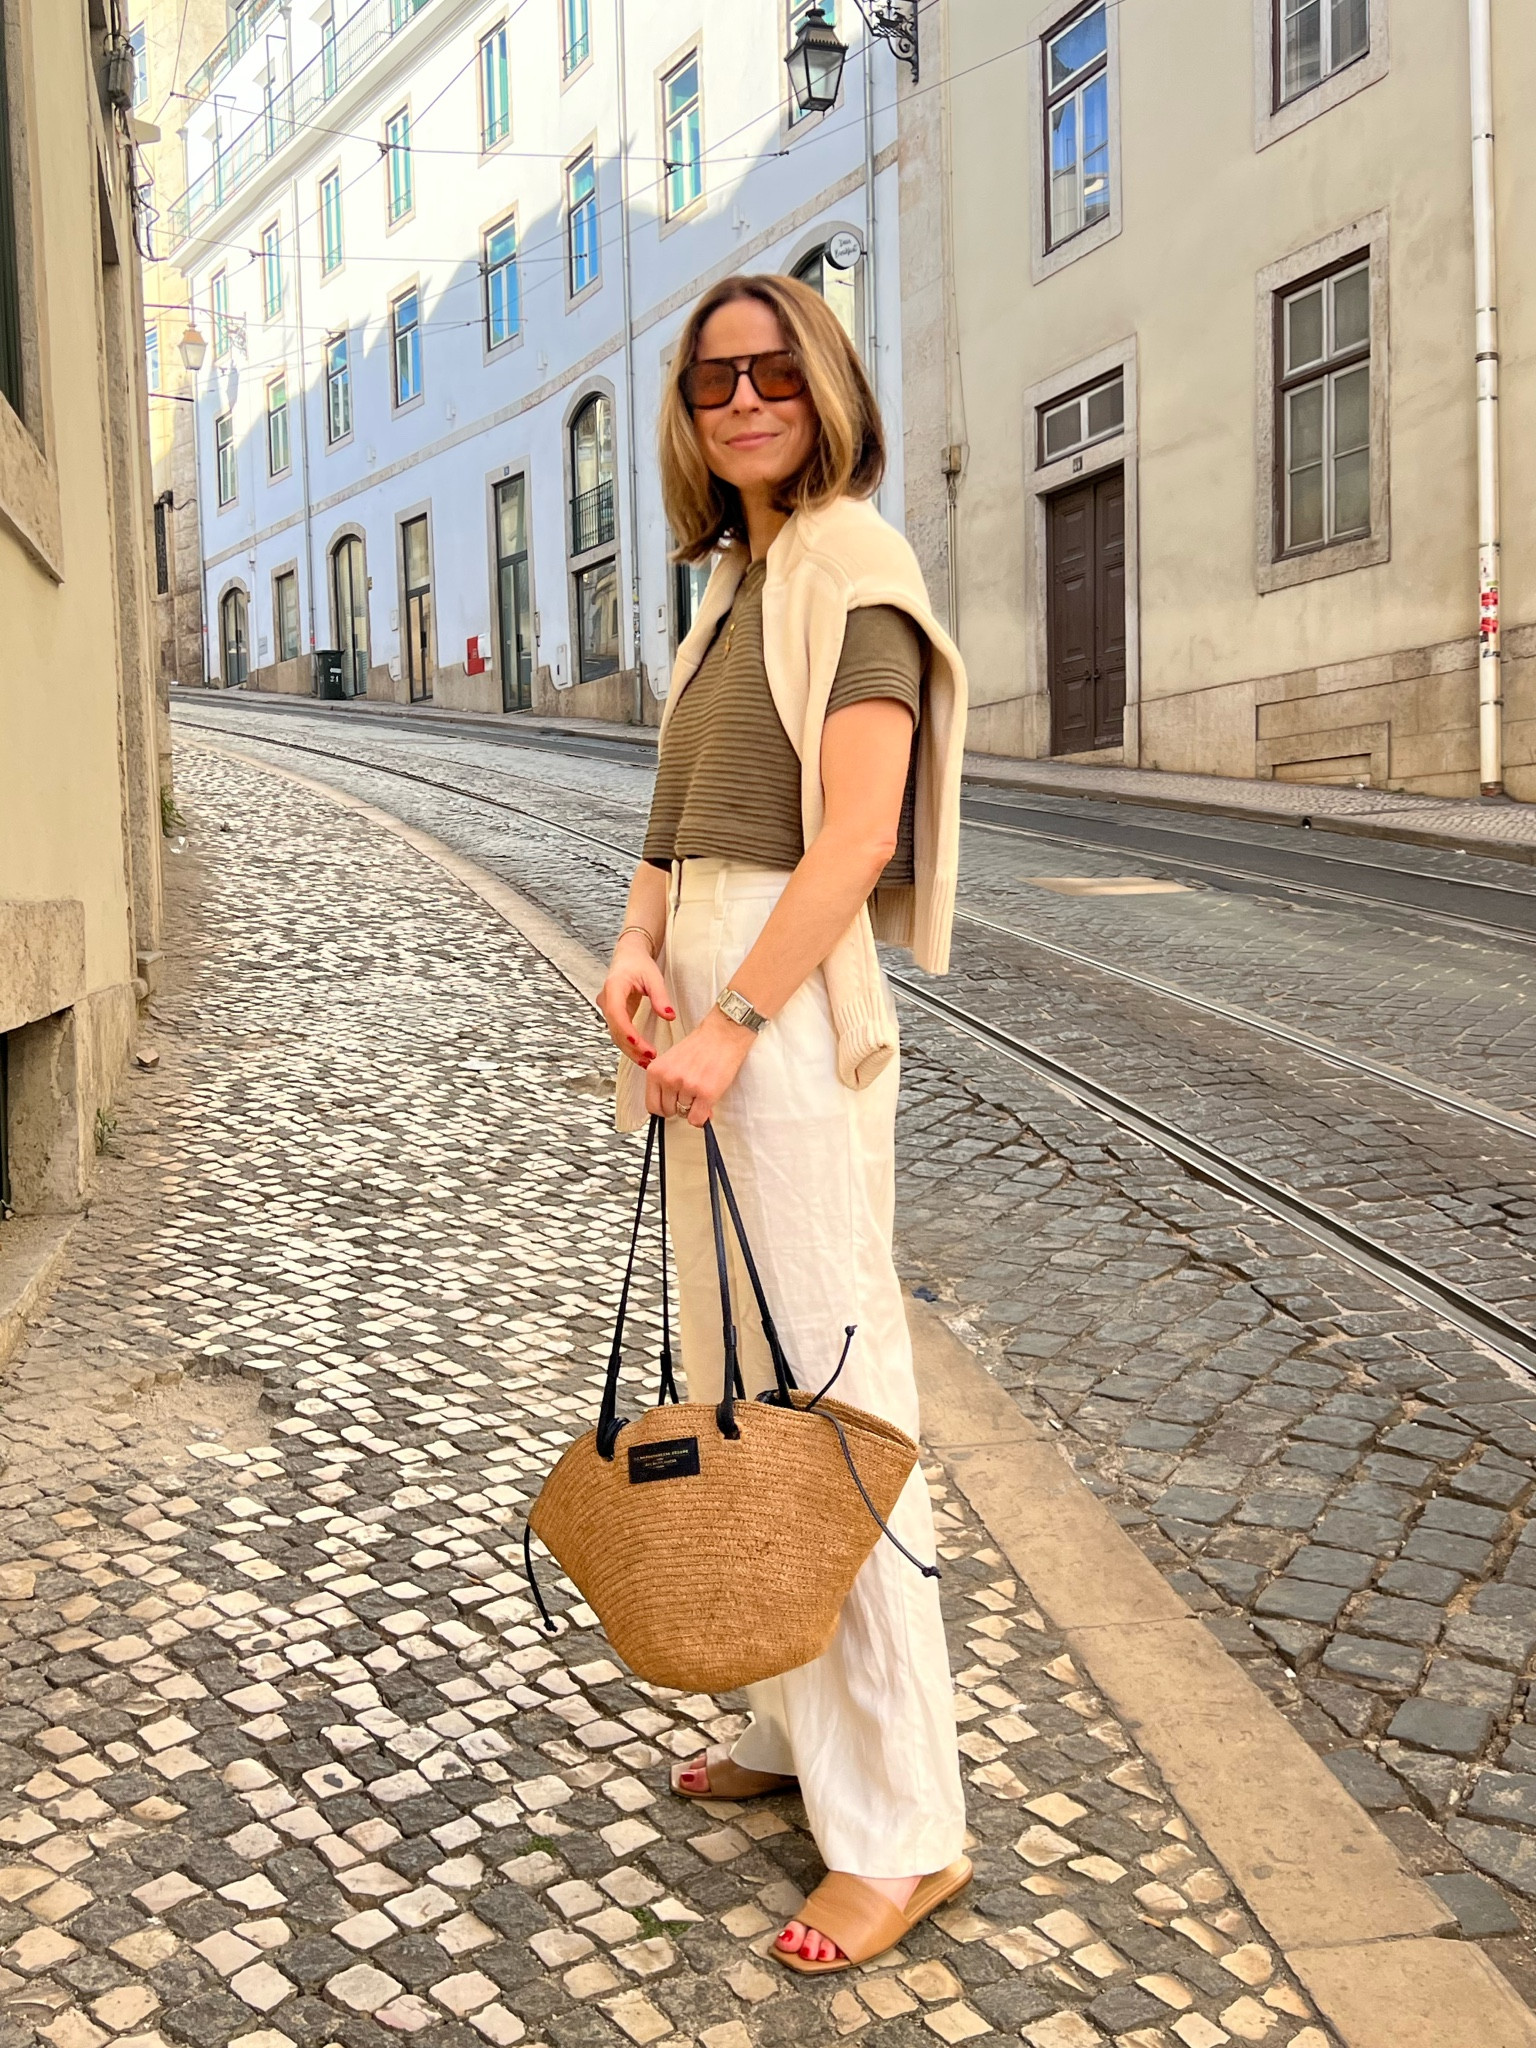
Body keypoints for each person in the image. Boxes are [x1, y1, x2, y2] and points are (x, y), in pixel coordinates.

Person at [598, 272, 970, 1975]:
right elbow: (675, 834)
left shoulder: (855, 570)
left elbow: (855, 843)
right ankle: (785, 1716)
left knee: (836, 1409)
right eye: (711, 379)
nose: (742, 399)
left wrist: (739, 1020)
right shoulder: (729, 590)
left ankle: (900, 1831)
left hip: (787, 1024)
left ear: (821, 386)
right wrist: (630, 951)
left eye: (772, 373)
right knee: (734, 1385)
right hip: (702, 1009)